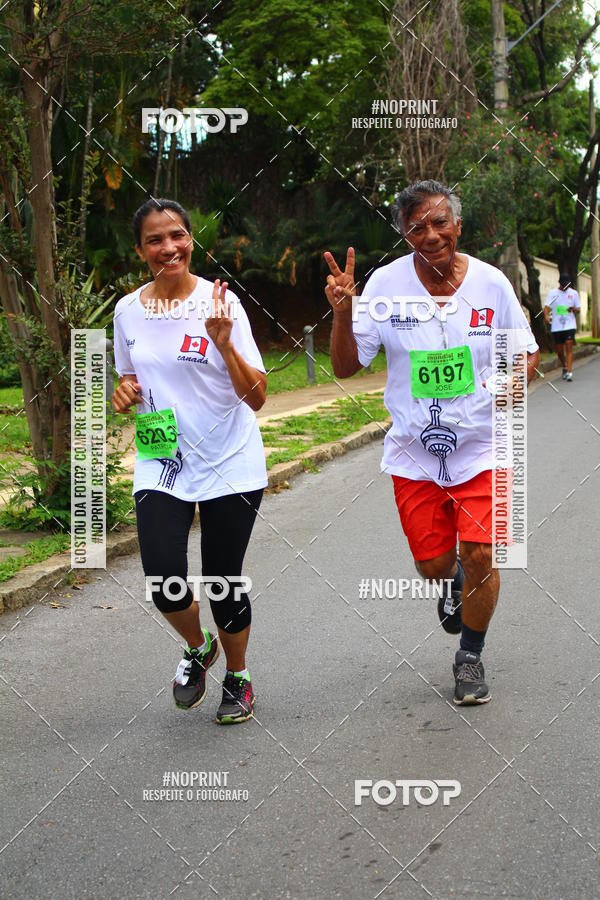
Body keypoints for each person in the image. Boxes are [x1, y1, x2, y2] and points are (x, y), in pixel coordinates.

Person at [324, 179, 540, 705]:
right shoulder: (384, 285)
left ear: (458, 226)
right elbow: (347, 366)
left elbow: (528, 355)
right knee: (434, 566)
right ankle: (451, 579)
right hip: (413, 454)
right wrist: (343, 312)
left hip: (485, 447)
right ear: (404, 234)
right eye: (416, 226)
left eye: (440, 222)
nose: (430, 234)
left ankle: (470, 655)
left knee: (485, 552)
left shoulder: (491, 285)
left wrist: (498, 393)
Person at [112, 198, 267, 724]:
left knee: (222, 579)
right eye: (155, 239)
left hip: (230, 457)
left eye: (176, 235)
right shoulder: (128, 310)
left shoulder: (221, 303)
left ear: (190, 240)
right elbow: (129, 373)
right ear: (141, 250)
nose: (168, 247)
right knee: (163, 578)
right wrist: (124, 389)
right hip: (163, 459)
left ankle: (239, 676)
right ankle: (200, 647)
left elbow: (258, 397)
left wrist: (224, 346)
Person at [544, 272, 580, 381]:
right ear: (559, 283)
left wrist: (573, 309)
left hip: (569, 325)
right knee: (559, 350)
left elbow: (578, 309)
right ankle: (564, 365)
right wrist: (546, 316)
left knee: (569, 345)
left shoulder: (573, 293)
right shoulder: (553, 293)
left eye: (567, 284)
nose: (565, 286)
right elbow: (546, 307)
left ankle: (569, 372)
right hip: (556, 326)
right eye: (563, 284)